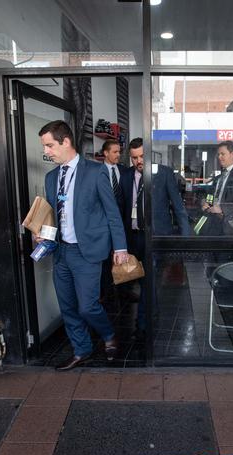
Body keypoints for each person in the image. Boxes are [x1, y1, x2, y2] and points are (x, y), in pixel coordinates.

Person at [37, 120, 128, 370]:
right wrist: (44, 234)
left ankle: (108, 335)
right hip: (61, 251)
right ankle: (82, 349)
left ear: (65, 141)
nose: (46, 151)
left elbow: (112, 212)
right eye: (45, 147)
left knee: (87, 306)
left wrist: (120, 248)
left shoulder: (95, 171)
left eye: (50, 145)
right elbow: (52, 213)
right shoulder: (51, 177)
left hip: (87, 250)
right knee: (67, 306)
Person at [120, 137, 191, 338]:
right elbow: (120, 209)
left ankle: (142, 325)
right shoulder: (125, 176)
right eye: (134, 158)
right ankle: (153, 311)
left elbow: (178, 206)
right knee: (143, 282)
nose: (138, 161)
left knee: (149, 280)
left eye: (142, 156)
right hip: (133, 238)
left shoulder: (164, 173)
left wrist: (185, 239)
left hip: (156, 237)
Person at [199, 141, 233, 236]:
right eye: (218, 154)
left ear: (232, 154)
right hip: (214, 223)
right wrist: (206, 202)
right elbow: (212, 194)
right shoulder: (219, 176)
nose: (219, 157)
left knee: (226, 251)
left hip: (232, 226)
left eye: (222, 154)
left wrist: (222, 208)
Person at [99, 139, 130, 303]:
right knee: (105, 259)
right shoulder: (97, 171)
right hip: (103, 224)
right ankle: (105, 293)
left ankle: (125, 291)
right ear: (106, 153)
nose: (119, 155)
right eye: (115, 152)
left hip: (123, 223)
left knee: (123, 257)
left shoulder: (124, 171)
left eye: (119, 152)